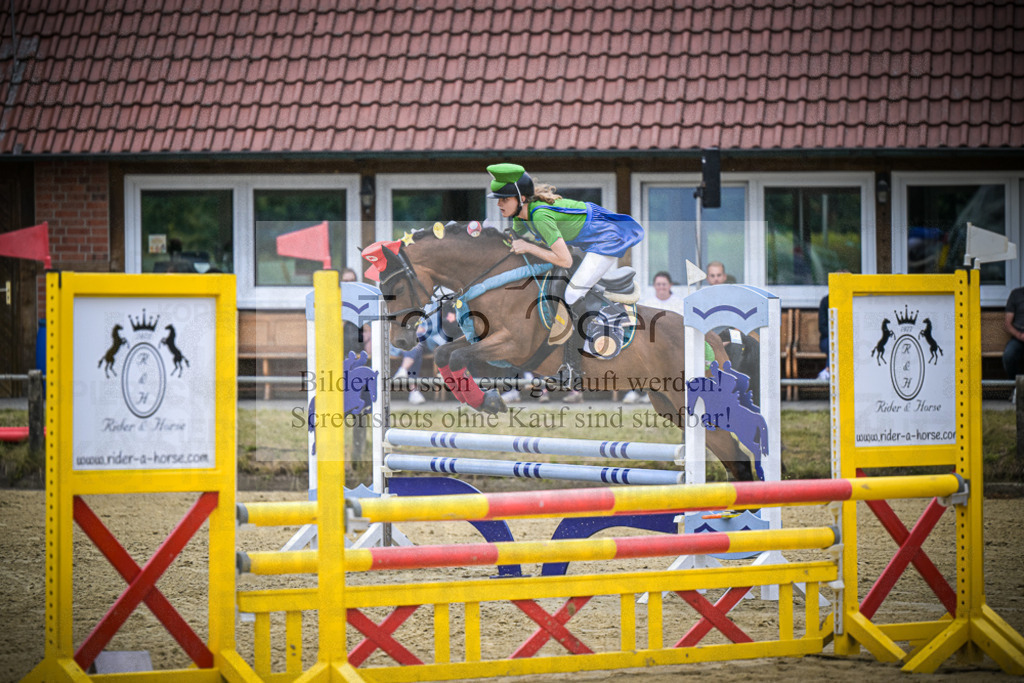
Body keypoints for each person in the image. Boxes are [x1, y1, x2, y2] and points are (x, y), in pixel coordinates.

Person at [487, 162, 645, 387]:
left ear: (521, 199)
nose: (500, 204)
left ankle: (577, 360)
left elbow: (564, 259)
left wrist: (529, 247)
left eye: (504, 199)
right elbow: (511, 245)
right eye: (499, 199)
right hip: (586, 241)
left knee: (571, 294)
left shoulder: (540, 217)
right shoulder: (520, 218)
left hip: (605, 238)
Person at [623, 271, 685, 404]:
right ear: (654, 286)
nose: (661, 287)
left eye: (664, 284)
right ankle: (637, 391)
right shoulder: (648, 302)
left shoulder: (679, 303)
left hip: (672, 345)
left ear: (670, 285)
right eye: (658, 284)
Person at [1003, 286, 1024, 402]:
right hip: (1018, 337)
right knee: (1009, 355)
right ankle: (1015, 388)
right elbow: (1007, 324)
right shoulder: (1016, 294)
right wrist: (1019, 335)